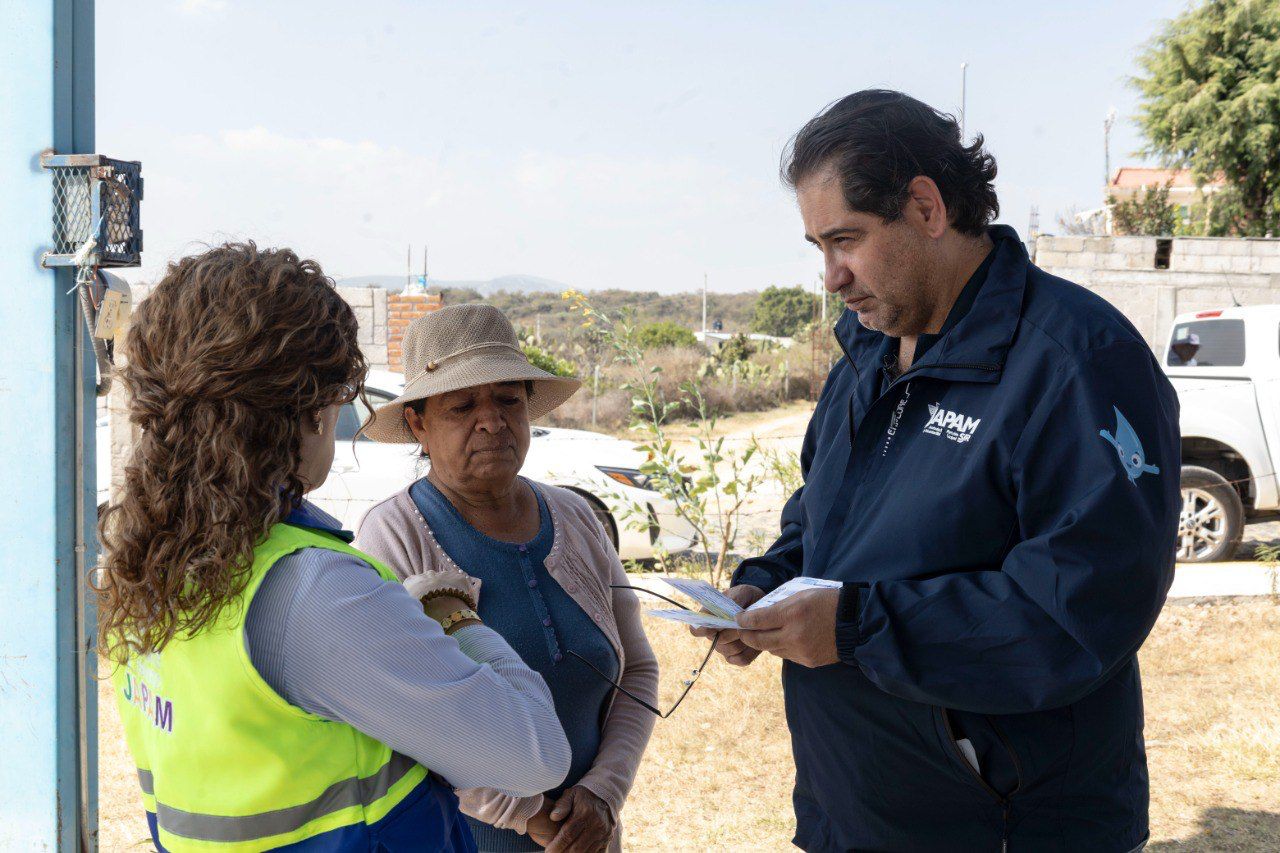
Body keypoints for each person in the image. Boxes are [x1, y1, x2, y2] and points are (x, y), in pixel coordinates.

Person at [693, 90, 1180, 852]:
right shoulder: (867, 353)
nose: (831, 276)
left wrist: (855, 628)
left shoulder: (1076, 360)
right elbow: (823, 521)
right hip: (856, 807)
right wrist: (763, 583)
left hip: (1003, 821)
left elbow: (1083, 608)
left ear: (925, 206)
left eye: (845, 240)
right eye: (817, 247)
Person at [97, 244, 571, 853]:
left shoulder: (151, 561)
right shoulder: (315, 592)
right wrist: (454, 616)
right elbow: (535, 754)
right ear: (310, 411)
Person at [357, 304, 659, 853]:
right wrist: (531, 815)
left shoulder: (574, 517)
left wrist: (602, 795)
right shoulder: (394, 536)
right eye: (462, 406)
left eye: (508, 400)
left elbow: (636, 670)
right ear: (418, 423)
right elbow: (405, 717)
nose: (492, 421)